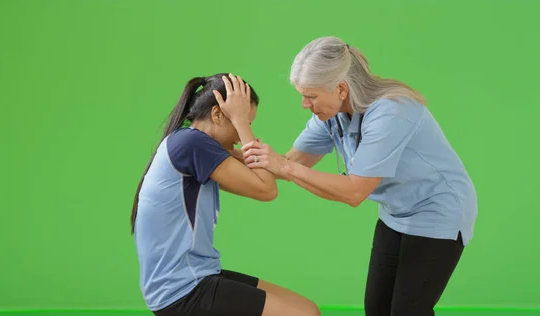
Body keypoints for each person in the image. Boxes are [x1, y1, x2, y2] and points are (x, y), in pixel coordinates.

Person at [240, 36, 478, 316]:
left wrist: (286, 168)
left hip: (439, 211)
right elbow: (289, 162)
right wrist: (221, 149)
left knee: (408, 312)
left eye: (311, 96)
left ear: (341, 88)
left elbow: (354, 192)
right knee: (376, 310)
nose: (305, 104)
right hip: (396, 213)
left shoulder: (392, 111)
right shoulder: (331, 115)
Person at [130, 73, 320, 316]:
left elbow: (271, 170)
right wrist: (241, 125)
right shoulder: (191, 144)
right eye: (245, 122)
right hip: (183, 290)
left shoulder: (194, 144)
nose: (244, 133)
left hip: (199, 276)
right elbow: (266, 189)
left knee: (307, 309)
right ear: (217, 115)